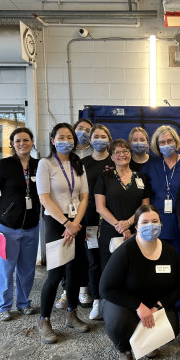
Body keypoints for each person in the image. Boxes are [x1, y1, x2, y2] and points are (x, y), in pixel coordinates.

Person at [99, 205, 180, 360]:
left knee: (173, 326)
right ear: (136, 227)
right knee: (119, 322)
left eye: (155, 221)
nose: (151, 225)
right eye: (145, 222)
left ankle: (147, 344)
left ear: (161, 225)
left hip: (154, 304)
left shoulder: (170, 252)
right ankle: (124, 351)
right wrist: (138, 306)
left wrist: (159, 306)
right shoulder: (126, 251)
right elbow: (105, 288)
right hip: (125, 304)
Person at [36, 122, 90, 344]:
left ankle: (71, 314)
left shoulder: (78, 164)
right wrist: (66, 223)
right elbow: (44, 197)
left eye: (70, 137)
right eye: (61, 137)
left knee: (75, 270)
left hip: (76, 223)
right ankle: (44, 320)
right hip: (57, 223)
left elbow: (84, 196)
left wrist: (75, 223)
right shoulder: (46, 164)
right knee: (56, 273)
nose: (66, 141)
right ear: (52, 140)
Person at [0, 127, 40, 322]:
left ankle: (24, 303)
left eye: (25, 140)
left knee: (27, 269)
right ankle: (2, 307)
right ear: (12, 144)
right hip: (5, 226)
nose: (22, 144)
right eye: (17, 141)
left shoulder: (40, 165)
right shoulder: (3, 165)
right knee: (5, 269)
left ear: (32, 142)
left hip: (31, 227)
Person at [94, 139, 151, 272]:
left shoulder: (141, 177)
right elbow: (100, 207)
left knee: (134, 270)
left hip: (136, 231)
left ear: (130, 154)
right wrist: (120, 226)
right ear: (112, 156)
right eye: (117, 152)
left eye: (125, 151)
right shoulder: (104, 177)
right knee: (109, 271)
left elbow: (145, 207)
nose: (122, 154)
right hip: (109, 231)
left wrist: (128, 223)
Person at [80, 124, 115, 320]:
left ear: (109, 139)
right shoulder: (83, 163)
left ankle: (112, 300)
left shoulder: (115, 160)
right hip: (90, 218)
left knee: (110, 260)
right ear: (90, 140)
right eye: (96, 136)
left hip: (112, 219)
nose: (100, 139)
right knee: (93, 261)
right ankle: (97, 300)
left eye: (104, 136)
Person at [143, 125, 180, 256]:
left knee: (178, 260)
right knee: (157, 259)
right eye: (162, 142)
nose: (166, 144)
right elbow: (144, 195)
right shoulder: (151, 165)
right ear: (157, 145)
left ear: (176, 142)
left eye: (169, 141)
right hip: (157, 222)